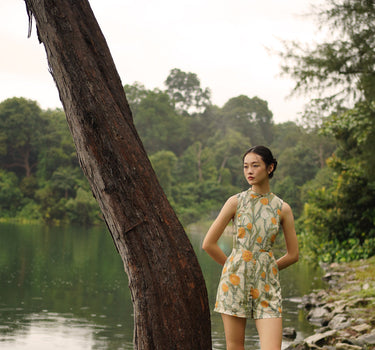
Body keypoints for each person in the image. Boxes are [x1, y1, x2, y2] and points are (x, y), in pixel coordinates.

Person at [202, 145, 299, 350]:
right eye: (246, 166)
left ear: (270, 168)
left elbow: (293, 255)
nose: (249, 171)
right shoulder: (235, 202)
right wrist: (232, 265)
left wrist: (269, 268)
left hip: (267, 287)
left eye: (255, 165)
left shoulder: (283, 208)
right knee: (235, 347)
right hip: (234, 283)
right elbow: (208, 244)